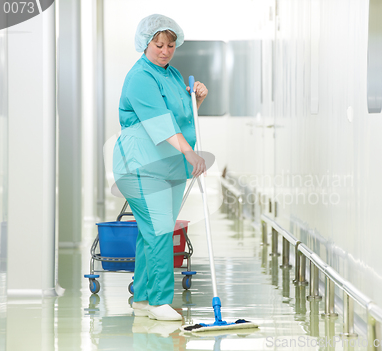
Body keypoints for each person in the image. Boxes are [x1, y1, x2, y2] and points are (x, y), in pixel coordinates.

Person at [112, 14, 208, 321]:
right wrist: (192, 155)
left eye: (170, 45)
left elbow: (181, 120)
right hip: (140, 164)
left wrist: (197, 101)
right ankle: (159, 301)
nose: (165, 51)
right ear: (145, 43)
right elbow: (160, 125)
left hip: (167, 165)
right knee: (160, 230)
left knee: (150, 232)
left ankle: (142, 297)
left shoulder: (173, 74)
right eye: (158, 45)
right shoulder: (140, 77)